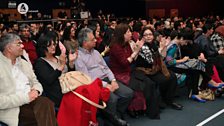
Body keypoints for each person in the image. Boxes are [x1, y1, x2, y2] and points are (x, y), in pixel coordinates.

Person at [74, 27, 133, 126]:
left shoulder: (96, 52)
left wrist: (113, 80)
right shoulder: (79, 57)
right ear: (85, 43)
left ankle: (114, 117)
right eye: (92, 39)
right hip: (95, 84)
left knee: (129, 93)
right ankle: (114, 119)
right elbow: (87, 78)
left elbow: (106, 68)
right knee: (112, 99)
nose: (96, 40)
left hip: (107, 79)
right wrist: (106, 85)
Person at [0, 33, 57, 126]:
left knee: (46, 103)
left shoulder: (24, 63)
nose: (22, 46)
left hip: (32, 101)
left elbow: (36, 82)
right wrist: (26, 98)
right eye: (18, 44)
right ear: (9, 48)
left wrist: (36, 91)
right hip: (12, 109)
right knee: (43, 110)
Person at [135, 26, 183, 110]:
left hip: (154, 68)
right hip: (145, 70)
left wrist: (164, 47)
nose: (148, 36)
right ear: (142, 37)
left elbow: (163, 57)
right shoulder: (142, 46)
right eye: (145, 35)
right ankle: (161, 99)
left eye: (150, 34)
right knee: (163, 79)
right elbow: (151, 60)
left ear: (153, 36)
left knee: (172, 76)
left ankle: (169, 100)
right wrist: (161, 48)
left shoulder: (153, 44)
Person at [34, 31, 77, 108]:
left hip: (70, 88)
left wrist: (71, 62)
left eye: (54, 44)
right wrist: (62, 65)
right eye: (49, 45)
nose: (53, 47)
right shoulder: (40, 63)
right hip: (58, 94)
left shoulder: (58, 57)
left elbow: (69, 74)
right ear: (43, 46)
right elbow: (49, 80)